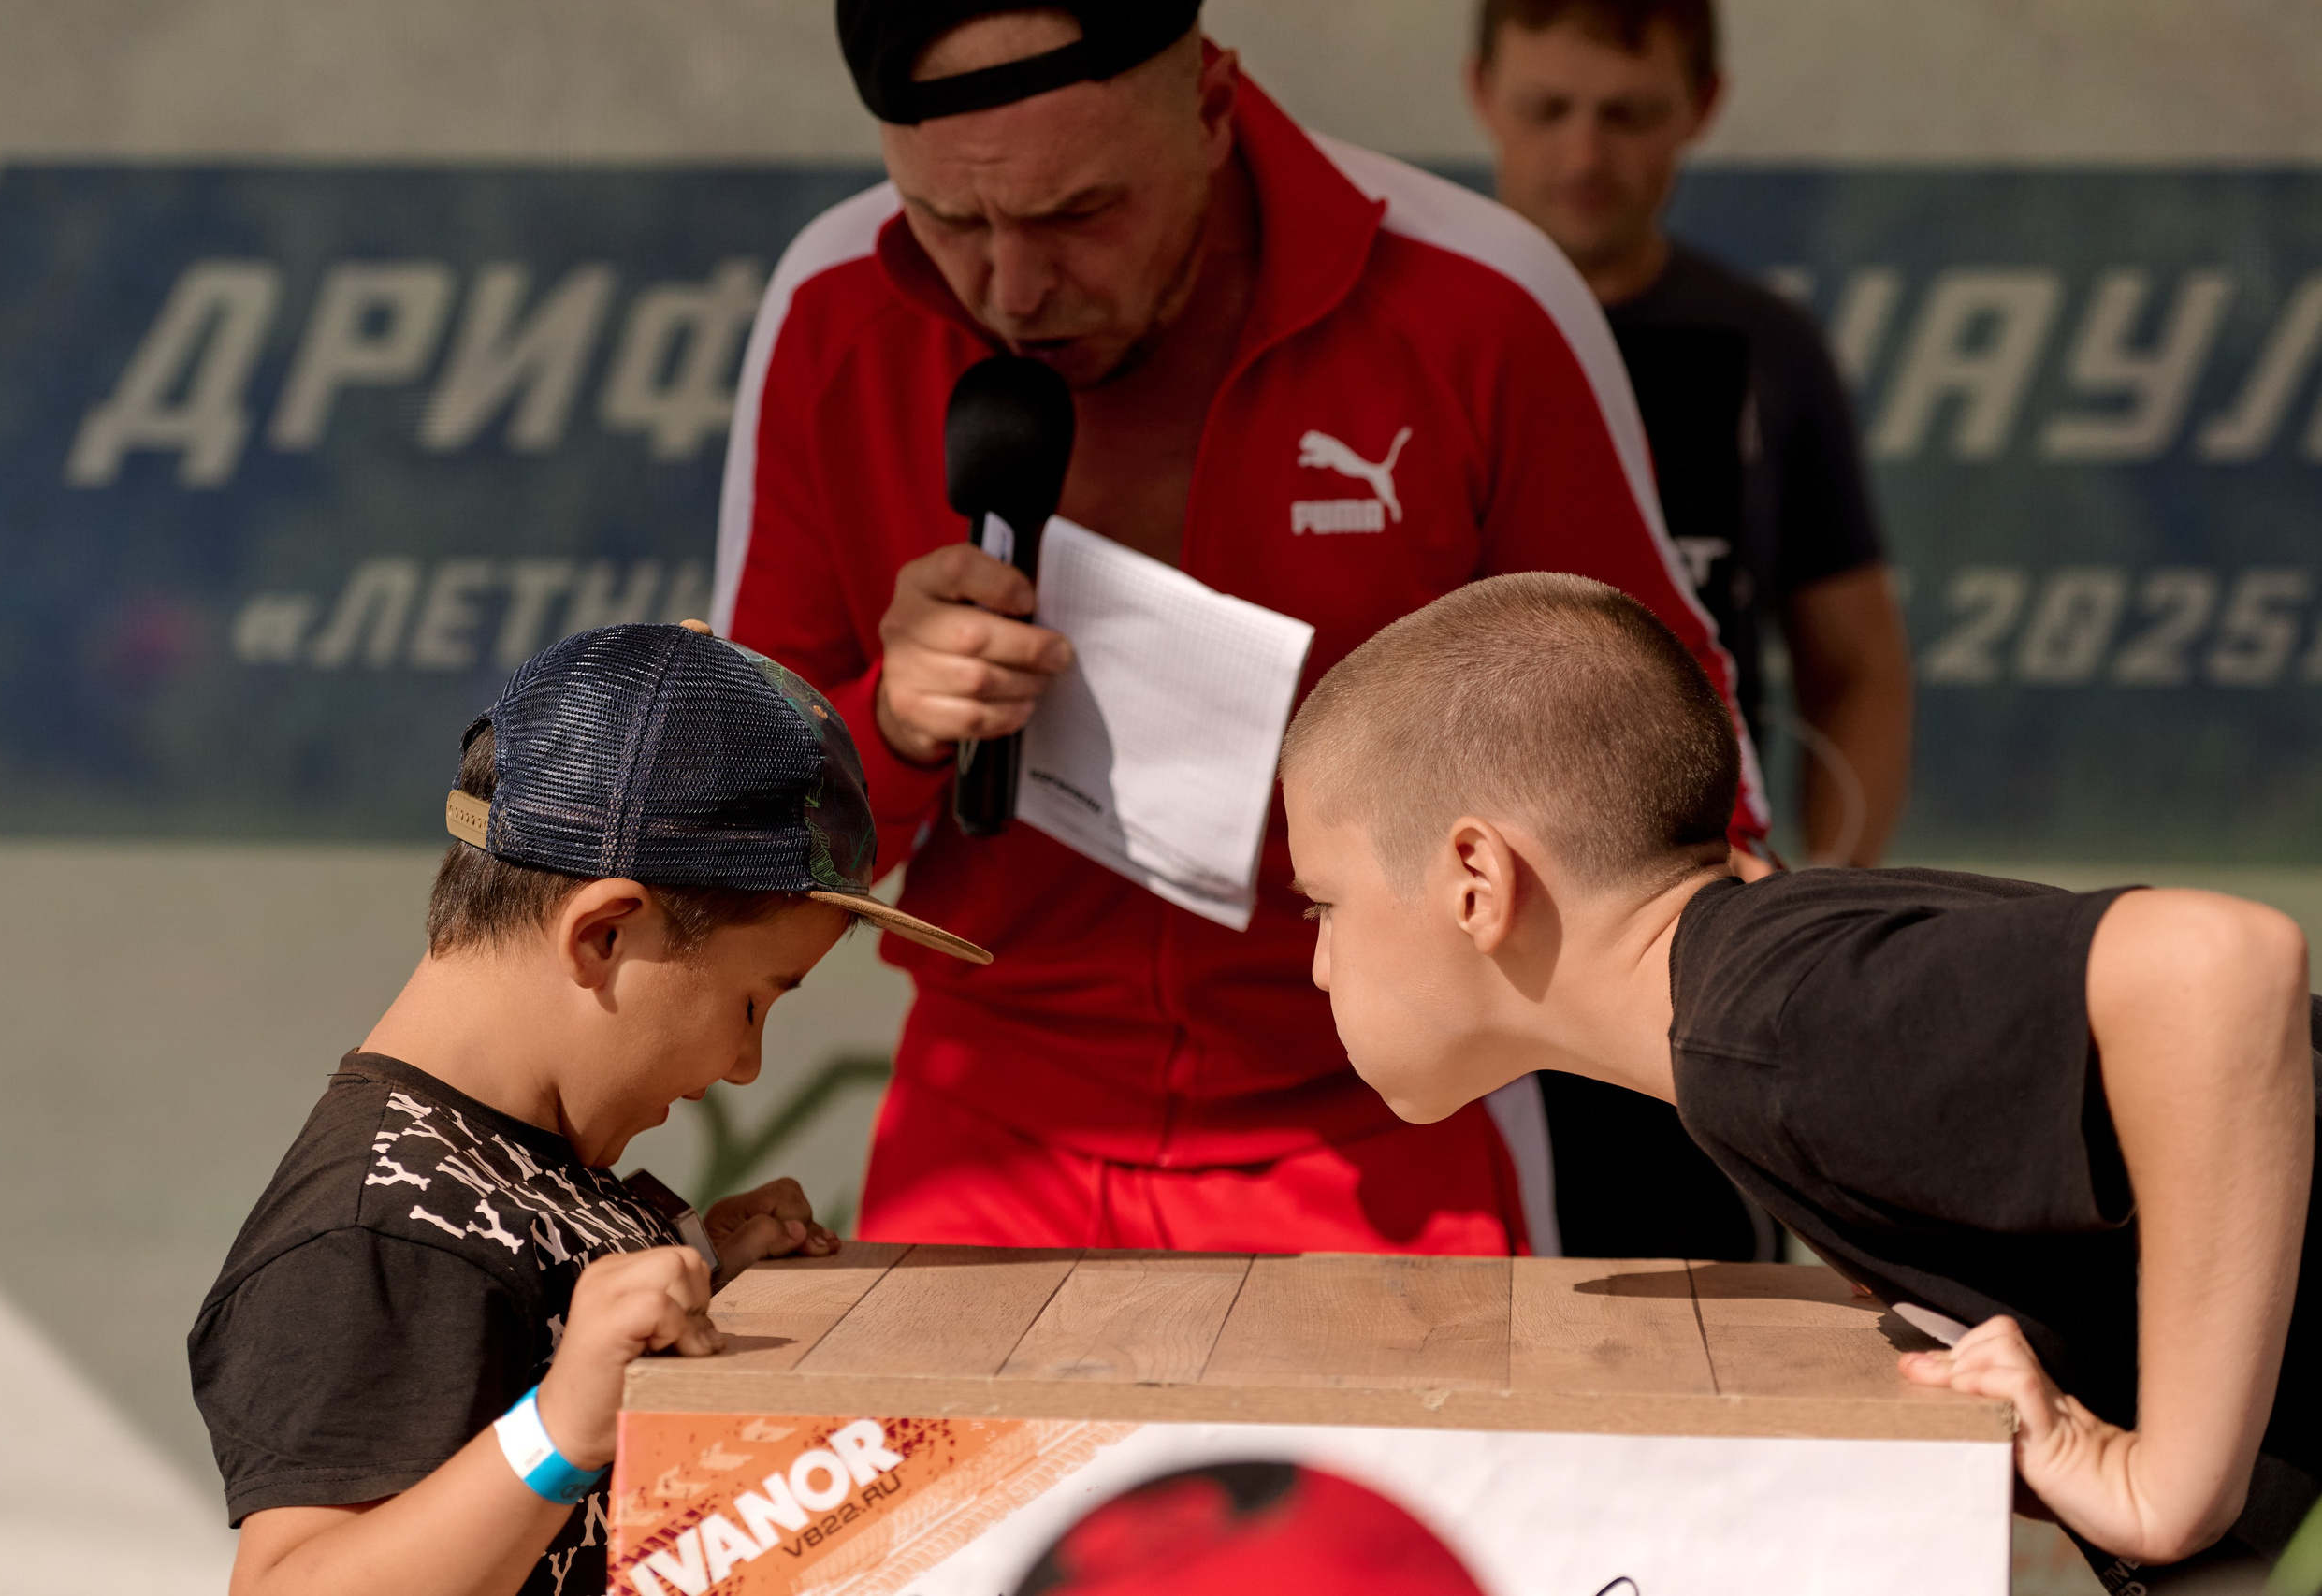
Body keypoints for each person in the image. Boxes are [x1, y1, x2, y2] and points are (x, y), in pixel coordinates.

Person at [715, 0, 1768, 1258]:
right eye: (950, 220)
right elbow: (736, 845)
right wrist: (890, 722)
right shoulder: (837, 304)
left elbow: (1684, 777)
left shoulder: (1477, 300)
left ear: (1212, 109)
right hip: (987, 1125)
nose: (1013, 285)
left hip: (1390, 1130)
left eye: (1076, 213)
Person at [1278, 572, 2318, 1587]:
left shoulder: (1761, 1026)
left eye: (1323, 903)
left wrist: (2169, 1483)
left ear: (1475, 880)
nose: (1318, 960)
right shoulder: (1761, 994)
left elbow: (2220, 968)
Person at [186, 621, 993, 1596]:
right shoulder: (382, 1225)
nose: (745, 1063)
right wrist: (559, 1427)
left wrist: (702, 1263)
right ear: (604, 935)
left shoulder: (522, 1148)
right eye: (753, 1000)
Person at [1467, 0, 1914, 1262]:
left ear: (1699, 110)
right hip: (1466, 954)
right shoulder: (1429, 332)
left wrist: (1825, 911)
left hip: (1695, 951)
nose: (1584, 152)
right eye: (1549, 109)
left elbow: (1857, 663)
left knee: (1692, 1333)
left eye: (1628, 113)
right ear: (1481, 93)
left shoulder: (1768, 348)